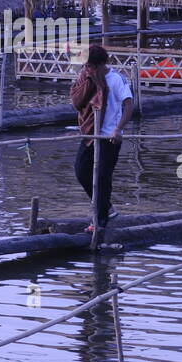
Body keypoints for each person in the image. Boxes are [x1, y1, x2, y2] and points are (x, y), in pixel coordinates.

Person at [70, 44, 134, 233]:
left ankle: (100, 221)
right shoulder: (87, 78)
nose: (86, 69)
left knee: (103, 178)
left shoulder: (115, 79)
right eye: (85, 66)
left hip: (109, 138)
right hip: (91, 134)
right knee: (81, 171)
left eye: (89, 66)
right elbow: (77, 102)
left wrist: (118, 129)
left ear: (99, 65)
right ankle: (107, 208)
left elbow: (129, 105)